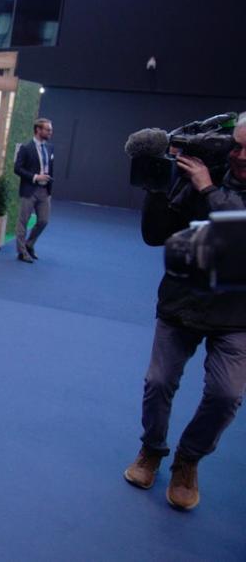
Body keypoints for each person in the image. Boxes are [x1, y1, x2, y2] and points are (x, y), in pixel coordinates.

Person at [123, 115, 246, 511]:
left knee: (226, 395)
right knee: (158, 383)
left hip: (236, 313)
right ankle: (152, 450)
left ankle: (188, 460)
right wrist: (156, 180)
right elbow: (155, 234)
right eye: (235, 144)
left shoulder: (206, 179)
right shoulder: (202, 168)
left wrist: (208, 189)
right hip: (181, 300)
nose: (236, 154)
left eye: (244, 149)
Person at [14, 118, 54, 263]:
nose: (50, 132)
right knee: (23, 222)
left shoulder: (50, 148)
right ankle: (21, 252)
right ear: (38, 130)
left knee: (44, 221)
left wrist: (48, 187)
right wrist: (36, 177)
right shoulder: (26, 148)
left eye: (50, 129)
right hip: (29, 189)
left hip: (44, 191)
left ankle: (29, 244)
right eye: (47, 129)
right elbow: (17, 169)